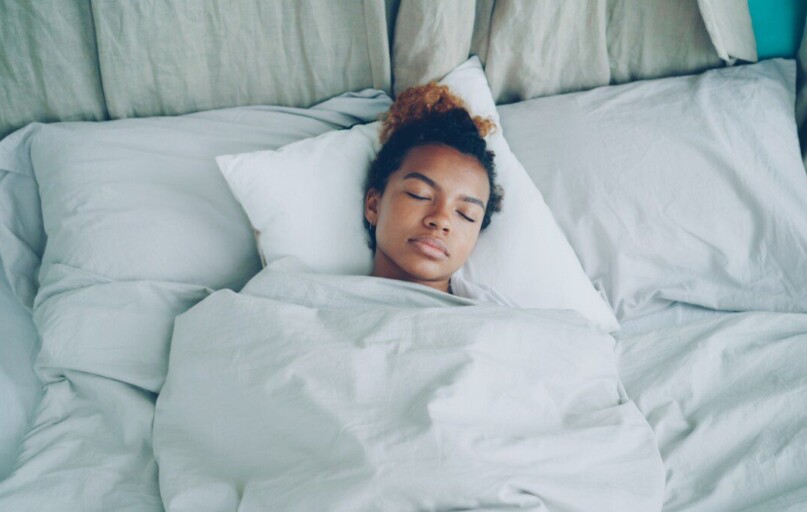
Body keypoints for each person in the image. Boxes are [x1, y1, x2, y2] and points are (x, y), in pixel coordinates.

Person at [363, 82, 514, 306]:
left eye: (466, 214)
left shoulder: (503, 322)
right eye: (420, 195)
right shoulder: (308, 301)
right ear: (374, 206)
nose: (442, 220)